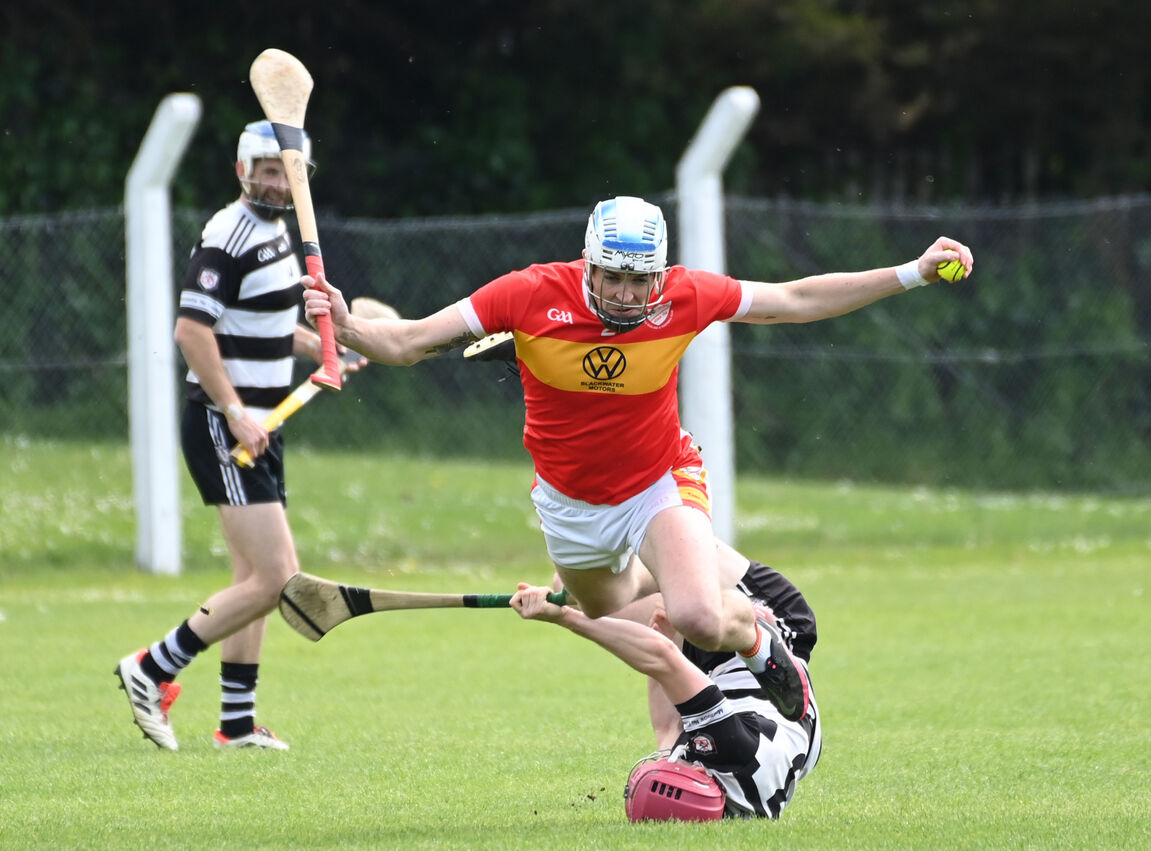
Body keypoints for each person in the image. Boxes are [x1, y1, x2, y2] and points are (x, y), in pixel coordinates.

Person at [302, 194, 973, 722]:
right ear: (588, 265)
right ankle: (682, 582)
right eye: (614, 277)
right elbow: (412, 343)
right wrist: (350, 323)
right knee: (606, 603)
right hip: (569, 504)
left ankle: (767, 646)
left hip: (658, 481)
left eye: (639, 279)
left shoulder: (684, 296)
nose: (626, 292)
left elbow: (792, 299)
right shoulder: (529, 294)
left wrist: (911, 273)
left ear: (659, 273)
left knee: (700, 617)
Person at [115, 120, 363, 751]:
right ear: (241, 170)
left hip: (263, 421)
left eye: (289, 171)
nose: (278, 183)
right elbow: (192, 332)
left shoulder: (281, 234)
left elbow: (266, 320)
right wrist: (232, 410)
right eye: (268, 170)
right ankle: (151, 669)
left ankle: (235, 724)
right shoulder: (229, 235)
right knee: (279, 578)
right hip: (226, 425)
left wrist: (319, 346)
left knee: (251, 575)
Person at [509, 555, 822, 821]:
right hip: (770, 619)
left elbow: (668, 720)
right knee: (696, 605)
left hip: (709, 668)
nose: (668, 763)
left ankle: (669, 563)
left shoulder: (714, 791)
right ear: (695, 778)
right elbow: (662, 659)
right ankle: (757, 644)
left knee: (575, 590)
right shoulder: (728, 752)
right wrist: (562, 617)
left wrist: (667, 634)